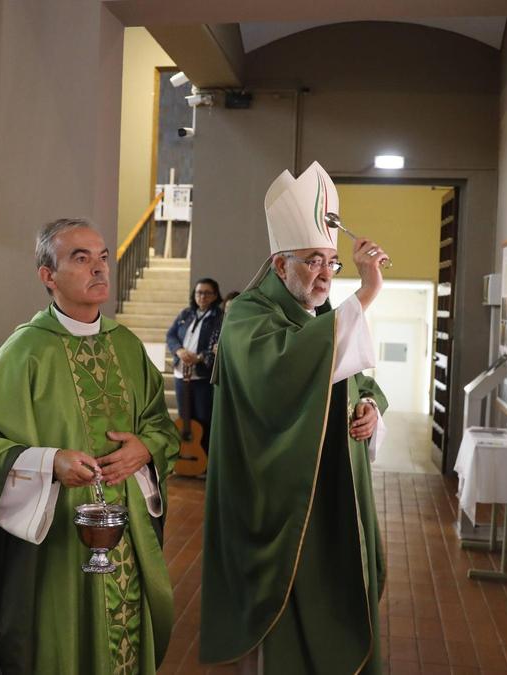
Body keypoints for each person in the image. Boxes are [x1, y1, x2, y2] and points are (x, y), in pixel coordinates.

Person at [0, 218, 180, 673]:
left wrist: (145, 448)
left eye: (102, 257)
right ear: (47, 276)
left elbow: (160, 425)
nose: (98, 269)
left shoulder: (127, 346)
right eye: (80, 258)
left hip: (125, 536)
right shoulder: (25, 352)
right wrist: (47, 461)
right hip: (55, 541)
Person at [200, 162, 390, 673]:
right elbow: (280, 375)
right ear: (279, 266)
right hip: (277, 506)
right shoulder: (247, 316)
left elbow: (360, 382)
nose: (327, 273)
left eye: (332, 261)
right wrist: (366, 295)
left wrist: (371, 411)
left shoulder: (320, 317)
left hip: (328, 497)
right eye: (312, 261)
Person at [164, 277, 223, 457]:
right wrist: (179, 350)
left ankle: (203, 460)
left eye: (207, 293)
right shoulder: (186, 314)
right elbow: (171, 335)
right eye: (199, 292)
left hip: (203, 377)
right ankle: (186, 457)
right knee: (185, 419)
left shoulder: (219, 318)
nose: (202, 296)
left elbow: (219, 344)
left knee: (204, 420)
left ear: (215, 296)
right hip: (182, 375)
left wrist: (199, 357)